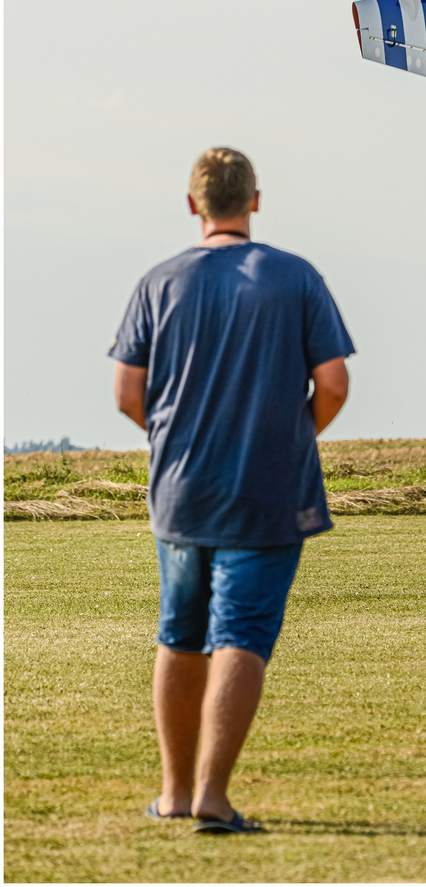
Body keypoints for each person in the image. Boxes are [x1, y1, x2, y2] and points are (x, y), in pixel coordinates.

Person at [108, 147, 354, 834]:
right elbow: (332, 382)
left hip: (182, 490)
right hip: (269, 487)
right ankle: (214, 797)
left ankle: (174, 792)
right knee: (240, 633)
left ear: (194, 205)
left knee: (179, 634)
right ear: (254, 201)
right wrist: (296, 433)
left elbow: (128, 391)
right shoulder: (295, 278)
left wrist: (171, 437)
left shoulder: (160, 282)